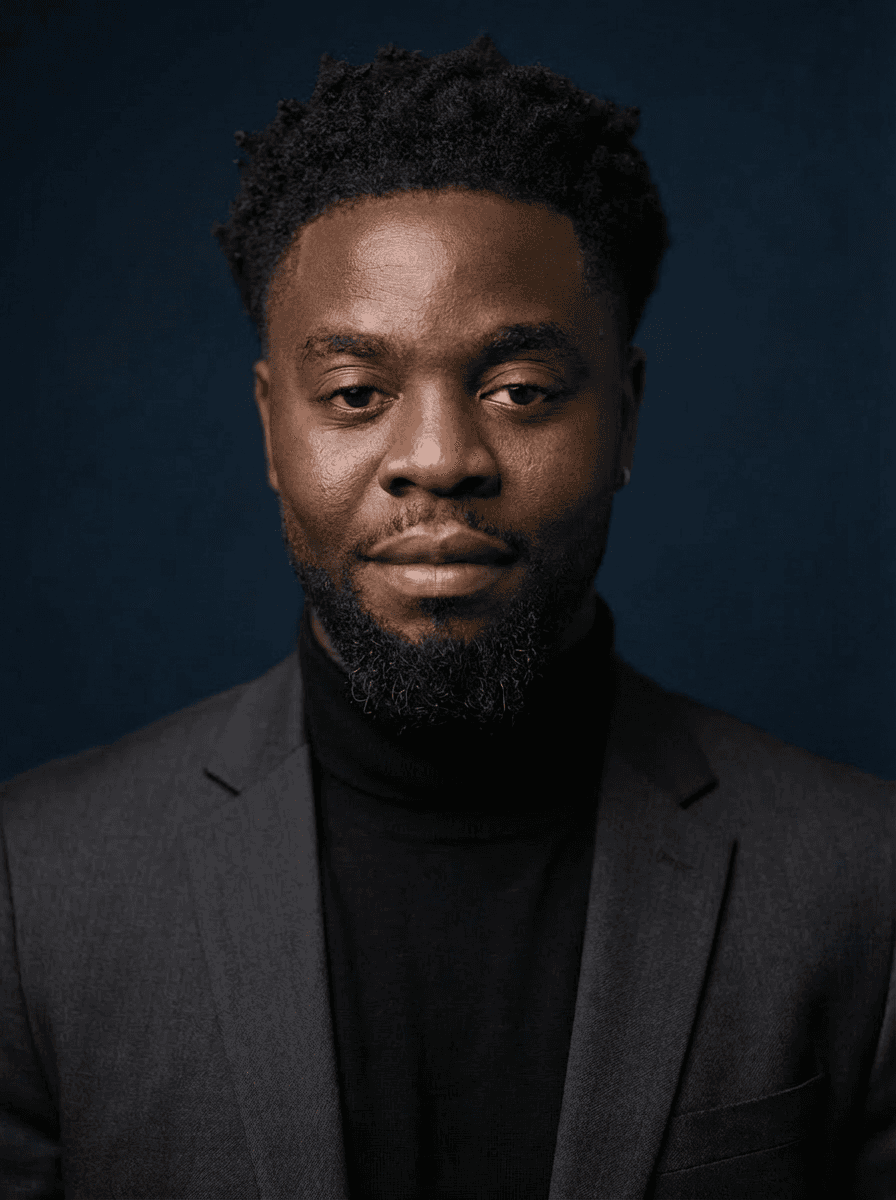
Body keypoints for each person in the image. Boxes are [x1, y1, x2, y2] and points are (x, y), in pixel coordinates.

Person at [1, 35, 893, 1200]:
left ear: (623, 419)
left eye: (519, 391)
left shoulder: (860, 884)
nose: (436, 458)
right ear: (272, 428)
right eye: (354, 394)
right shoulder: (33, 891)